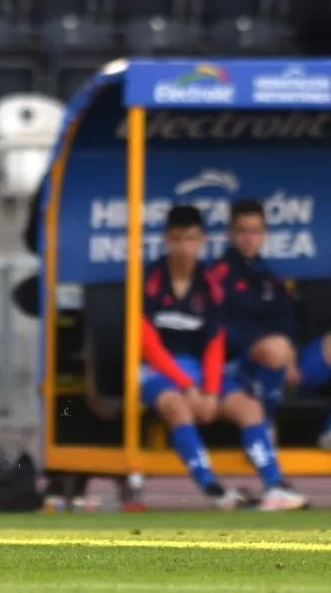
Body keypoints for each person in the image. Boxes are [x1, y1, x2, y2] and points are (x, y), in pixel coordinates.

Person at [140, 205, 305, 511]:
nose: (184, 248)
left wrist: (212, 391)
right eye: (176, 239)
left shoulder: (210, 282)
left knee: (250, 408)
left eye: (190, 239)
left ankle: (275, 484)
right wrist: (187, 385)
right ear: (166, 240)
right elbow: (148, 344)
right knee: (176, 406)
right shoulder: (149, 278)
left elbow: (216, 344)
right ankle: (213, 488)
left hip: (205, 374)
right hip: (160, 373)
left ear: (201, 239)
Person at [209, 199, 331, 450]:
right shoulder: (216, 276)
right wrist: (263, 348)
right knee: (273, 348)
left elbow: (289, 325)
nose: (248, 238)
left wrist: (292, 358)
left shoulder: (271, 278)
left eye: (255, 231)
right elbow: (218, 331)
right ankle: (264, 423)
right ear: (231, 234)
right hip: (240, 369)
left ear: (264, 234)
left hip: (284, 365)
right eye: (242, 231)